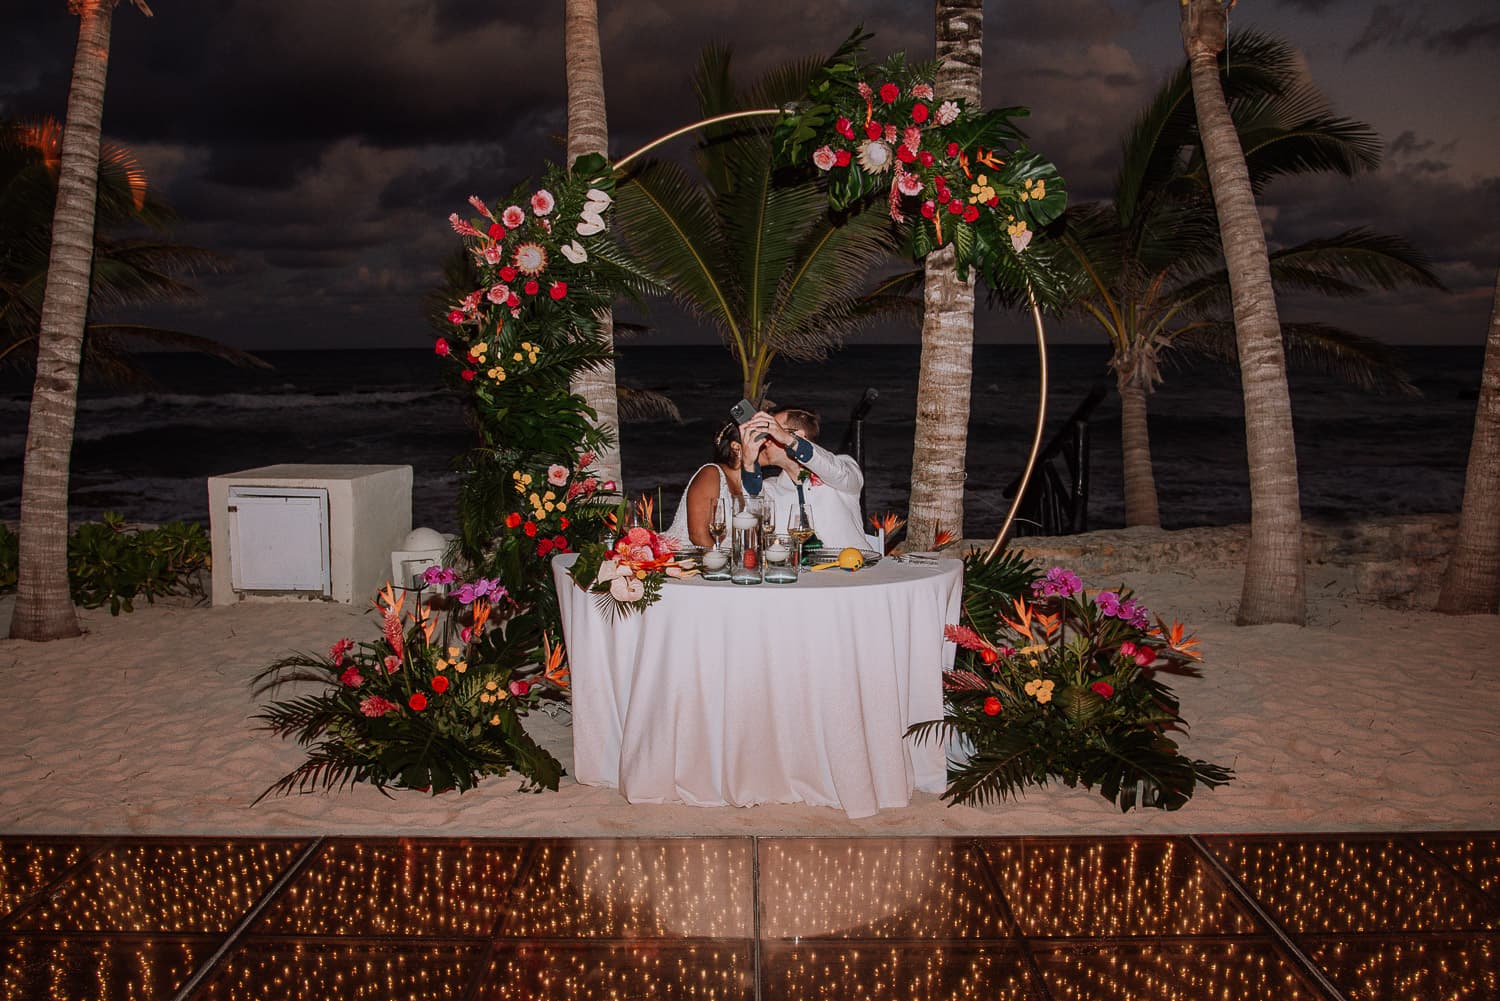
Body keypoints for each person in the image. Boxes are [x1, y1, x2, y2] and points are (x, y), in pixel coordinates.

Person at [737, 407, 868, 550]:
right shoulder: (769, 488)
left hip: (855, 562)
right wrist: (748, 464)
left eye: (773, 433)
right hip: (797, 565)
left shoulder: (844, 466)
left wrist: (790, 441)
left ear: (798, 436)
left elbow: (836, 471)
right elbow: (755, 514)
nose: (766, 442)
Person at [664, 421, 747, 547]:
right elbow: (698, 536)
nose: (767, 444)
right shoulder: (711, 474)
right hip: (687, 555)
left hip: (725, 557)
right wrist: (720, 558)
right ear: (736, 447)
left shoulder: (753, 484)